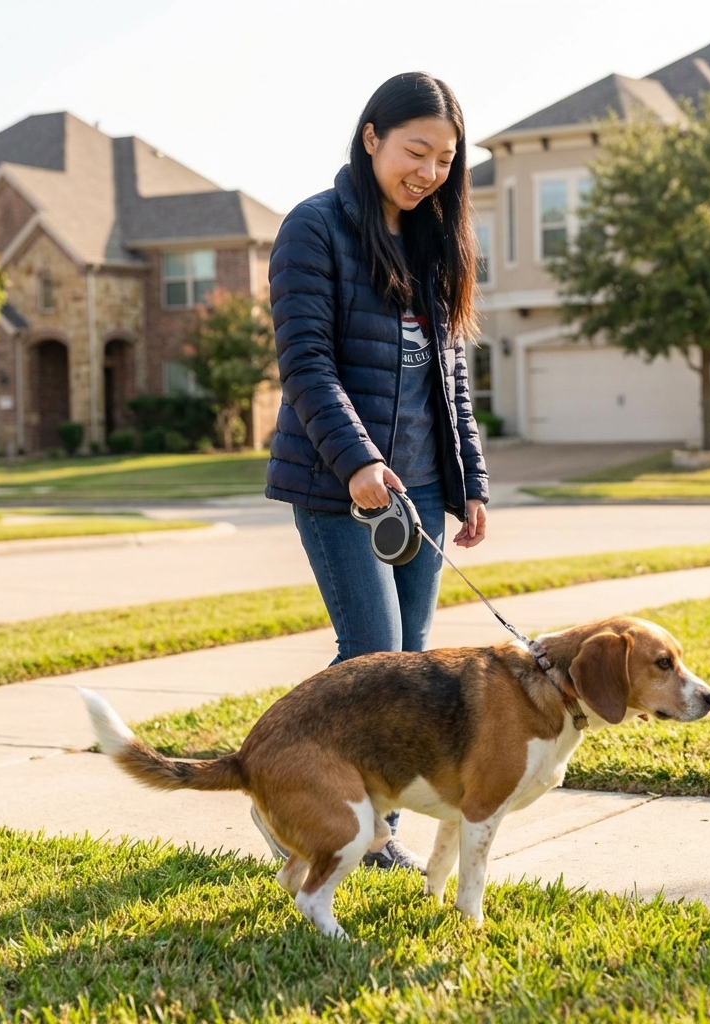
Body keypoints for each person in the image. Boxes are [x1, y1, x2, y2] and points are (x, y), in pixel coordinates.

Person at [264, 72, 489, 870]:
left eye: (445, 159)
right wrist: (359, 458)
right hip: (338, 481)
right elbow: (308, 364)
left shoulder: (436, 244)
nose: (428, 171)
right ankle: (301, 797)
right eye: (415, 150)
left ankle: (346, 811)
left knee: (409, 660)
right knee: (371, 647)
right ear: (371, 139)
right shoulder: (314, 228)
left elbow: (450, 379)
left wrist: (470, 481)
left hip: (424, 487)